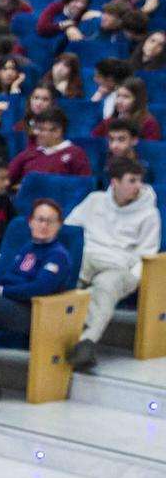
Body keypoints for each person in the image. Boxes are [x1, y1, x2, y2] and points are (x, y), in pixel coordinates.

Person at [64, 159, 161, 371]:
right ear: (115, 182)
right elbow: (70, 227)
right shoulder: (95, 200)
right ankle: (52, 335)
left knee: (106, 289)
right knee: (65, 280)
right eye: (132, 181)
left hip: (119, 266)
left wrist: (134, 279)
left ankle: (86, 343)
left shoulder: (149, 213)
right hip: (87, 256)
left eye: (140, 181)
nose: (138, 186)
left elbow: (148, 251)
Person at [0, 198, 77, 338]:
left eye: (50, 221)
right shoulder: (27, 247)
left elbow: (40, 288)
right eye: (40, 220)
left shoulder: (58, 255)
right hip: (9, 303)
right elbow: (10, 277)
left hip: (31, 312)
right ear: (30, 222)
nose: (44, 225)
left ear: (59, 225)